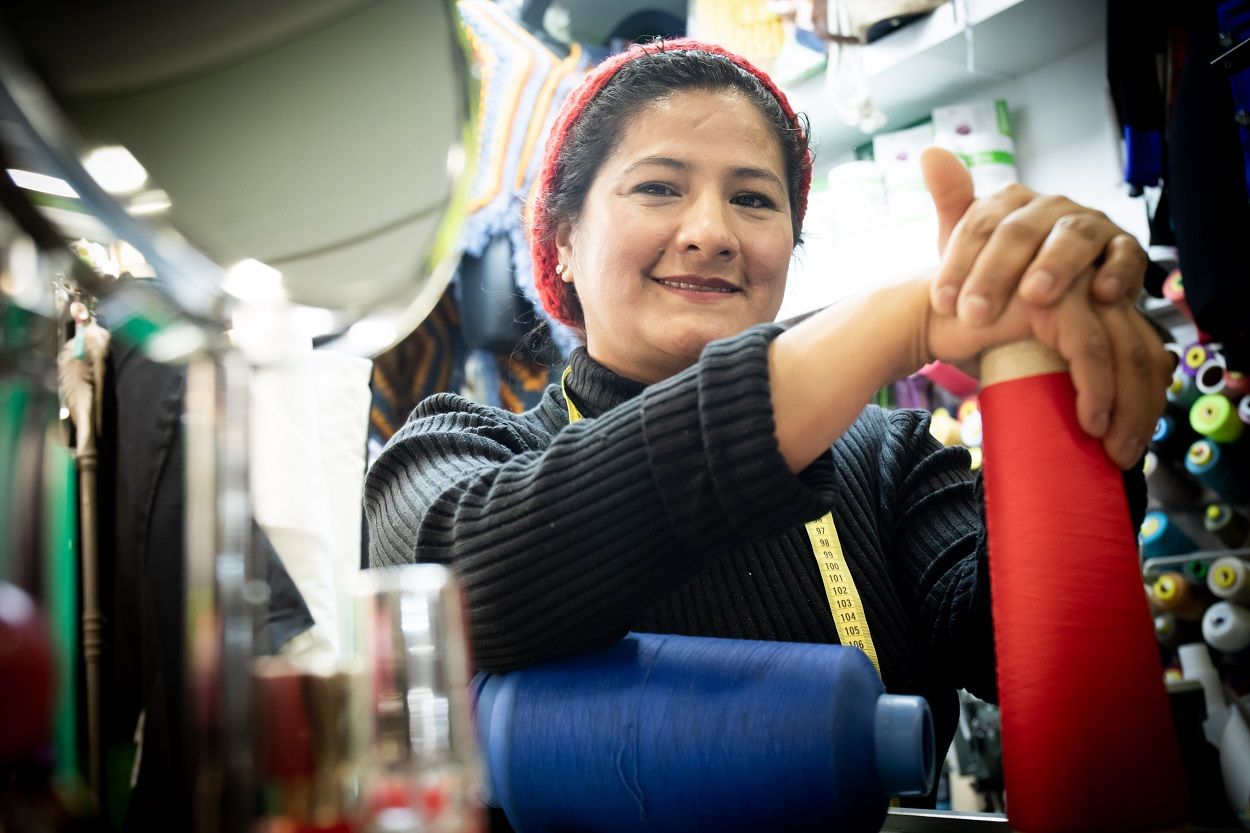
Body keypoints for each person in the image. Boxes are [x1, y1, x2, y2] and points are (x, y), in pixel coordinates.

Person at [365, 39, 1171, 800]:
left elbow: (1018, 652)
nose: (712, 233)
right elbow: (473, 592)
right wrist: (898, 323)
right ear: (563, 239)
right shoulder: (450, 455)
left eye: (753, 198)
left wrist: (1062, 367)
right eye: (658, 186)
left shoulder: (888, 455)